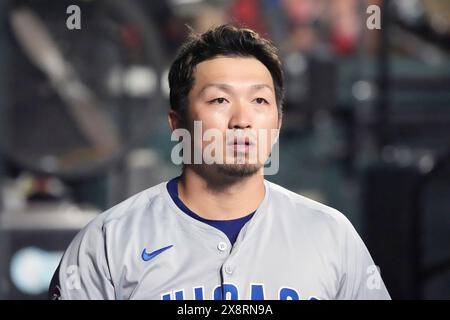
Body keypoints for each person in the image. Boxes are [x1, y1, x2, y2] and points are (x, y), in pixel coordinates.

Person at [49, 24, 390, 300]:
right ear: (177, 123)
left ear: (277, 124)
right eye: (219, 99)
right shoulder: (110, 239)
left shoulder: (331, 234)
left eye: (259, 99)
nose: (242, 119)